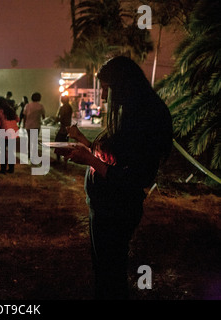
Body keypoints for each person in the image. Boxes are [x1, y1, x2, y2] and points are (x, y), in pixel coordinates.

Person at [63, 56, 173, 299]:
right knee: (104, 270)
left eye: (105, 88)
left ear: (122, 86)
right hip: (103, 207)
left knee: (110, 274)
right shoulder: (129, 113)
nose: (102, 95)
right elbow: (117, 157)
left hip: (116, 211)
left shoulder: (144, 118)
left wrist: (90, 160)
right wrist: (85, 144)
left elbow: (133, 176)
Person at [0, 96, 20, 174]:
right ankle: (11, 169)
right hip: (13, 132)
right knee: (11, 151)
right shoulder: (10, 109)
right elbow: (18, 119)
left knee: (3, 152)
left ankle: (3, 169)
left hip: (4, 132)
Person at [23, 92, 45, 160]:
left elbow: (25, 116)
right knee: (35, 140)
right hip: (36, 125)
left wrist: (24, 124)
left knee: (29, 139)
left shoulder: (27, 105)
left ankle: (29, 153)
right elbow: (43, 116)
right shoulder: (40, 106)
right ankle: (34, 153)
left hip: (28, 125)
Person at [54, 95, 73, 162]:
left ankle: (58, 159)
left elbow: (61, 118)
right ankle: (65, 159)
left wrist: (56, 120)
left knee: (58, 142)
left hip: (63, 128)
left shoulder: (63, 108)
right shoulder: (70, 107)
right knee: (65, 143)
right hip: (67, 127)